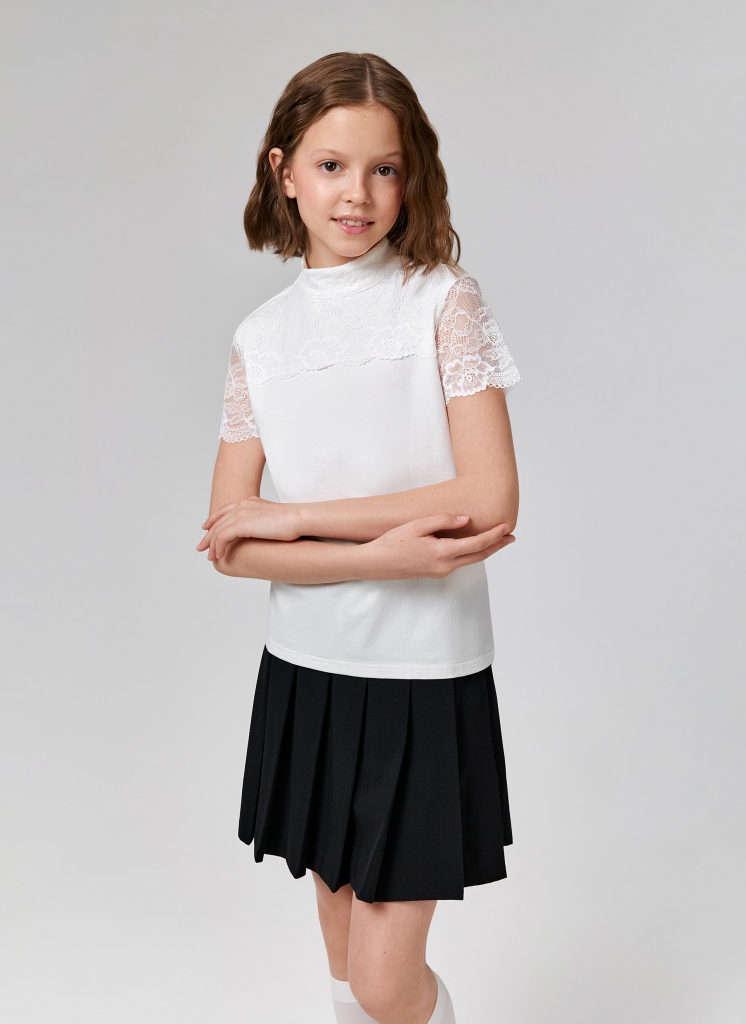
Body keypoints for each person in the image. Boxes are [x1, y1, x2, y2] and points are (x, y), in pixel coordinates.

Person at [196, 51, 521, 1024]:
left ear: (411, 176)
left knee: (385, 981)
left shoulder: (442, 299)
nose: (358, 193)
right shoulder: (261, 337)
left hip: (421, 672)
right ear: (283, 170)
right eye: (332, 166)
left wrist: (300, 516)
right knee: (345, 966)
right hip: (307, 668)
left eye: (385, 168)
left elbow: (489, 496)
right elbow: (230, 540)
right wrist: (379, 557)